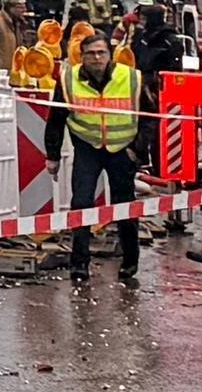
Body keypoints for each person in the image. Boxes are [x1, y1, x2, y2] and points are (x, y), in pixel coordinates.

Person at [60, 20, 149, 274]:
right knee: (81, 203)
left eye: (101, 53)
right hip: (88, 148)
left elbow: (149, 119)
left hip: (122, 149)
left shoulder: (130, 78)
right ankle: (79, 264)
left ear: (110, 55)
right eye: (90, 54)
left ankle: (130, 261)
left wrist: (137, 150)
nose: (96, 58)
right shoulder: (69, 79)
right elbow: (56, 118)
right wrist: (52, 155)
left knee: (125, 205)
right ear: (82, 57)